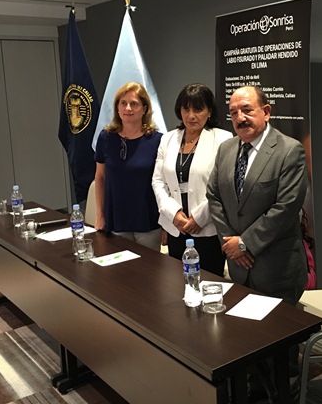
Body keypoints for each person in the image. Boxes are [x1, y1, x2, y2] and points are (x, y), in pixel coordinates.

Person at [206, 85, 308, 402]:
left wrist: (246, 244)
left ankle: (285, 394)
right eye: (234, 112)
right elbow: (214, 196)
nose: (240, 117)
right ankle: (254, 390)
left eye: (247, 109)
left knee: (280, 345)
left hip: (277, 268)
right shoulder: (226, 149)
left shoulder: (289, 151)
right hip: (240, 267)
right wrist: (231, 243)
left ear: (266, 111)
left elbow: (286, 208)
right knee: (247, 338)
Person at [152, 84, 232, 275]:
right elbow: (158, 181)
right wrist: (173, 213)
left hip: (208, 228)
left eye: (198, 109)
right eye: (186, 109)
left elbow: (223, 186)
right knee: (177, 282)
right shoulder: (168, 139)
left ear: (209, 111)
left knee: (210, 282)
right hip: (176, 227)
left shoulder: (223, 139)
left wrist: (199, 217)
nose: (191, 116)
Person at [94, 82, 162, 250]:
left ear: (145, 109)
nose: (128, 108)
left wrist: (166, 224)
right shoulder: (106, 138)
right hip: (116, 219)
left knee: (148, 266)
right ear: (117, 108)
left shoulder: (157, 140)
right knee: (119, 266)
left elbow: (164, 184)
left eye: (134, 104)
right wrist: (100, 215)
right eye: (123, 103)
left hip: (148, 221)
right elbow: (100, 177)